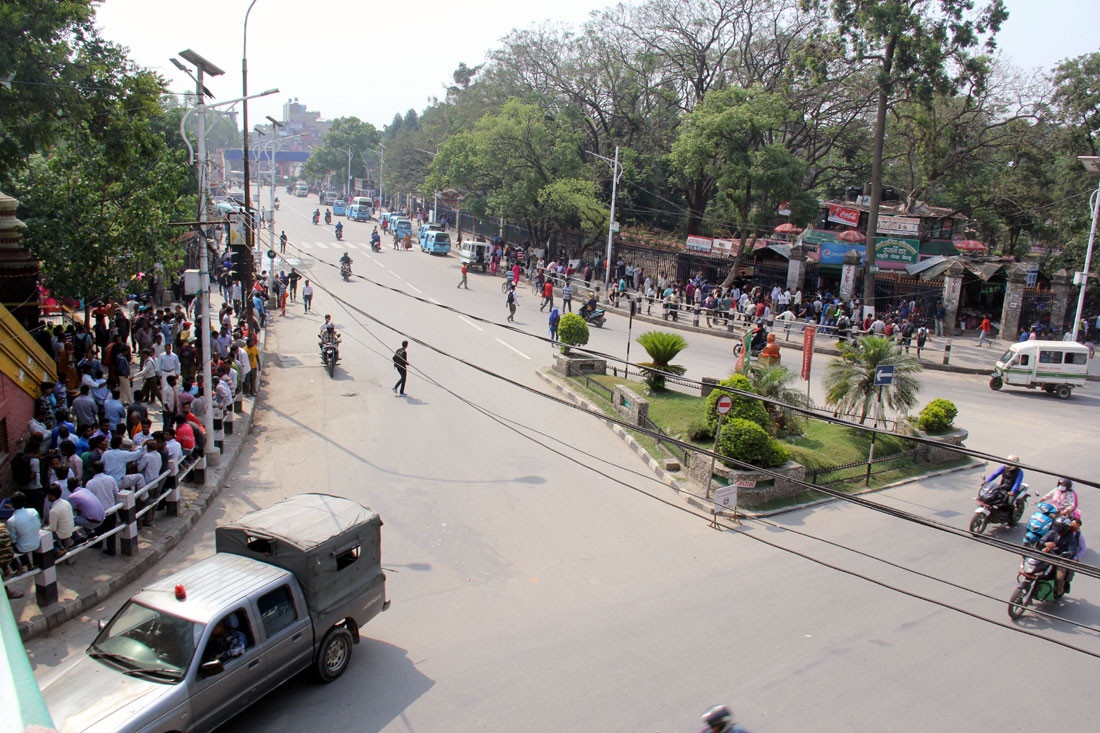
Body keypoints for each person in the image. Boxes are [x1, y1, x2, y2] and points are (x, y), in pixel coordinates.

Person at [1041, 517, 1080, 596]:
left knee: (1059, 576)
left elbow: (1072, 552)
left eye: (1060, 527)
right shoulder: (1052, 532)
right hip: (1048, 555)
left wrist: (1064, 556)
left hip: (1060, 560)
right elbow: (1042, 540)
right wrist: (1046, 544)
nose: (1058, 528)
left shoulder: (1070, 538)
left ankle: (1059, 591)